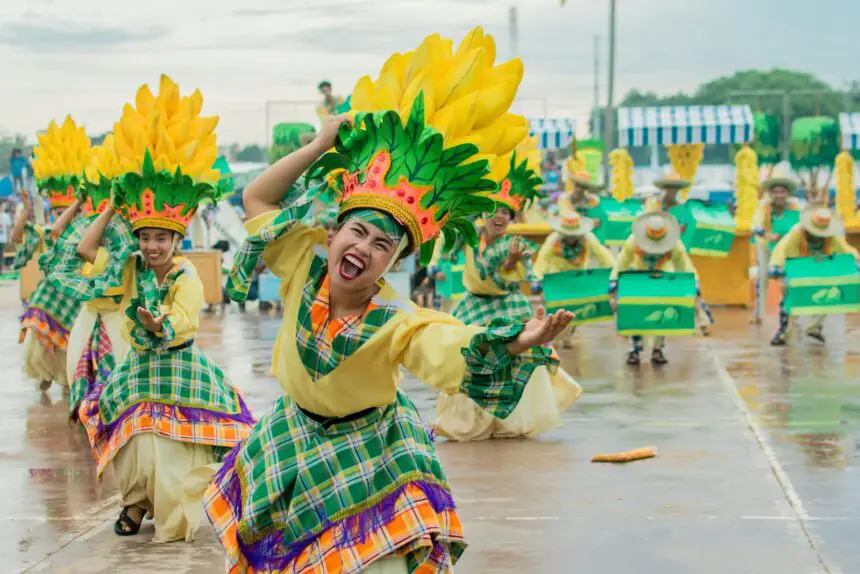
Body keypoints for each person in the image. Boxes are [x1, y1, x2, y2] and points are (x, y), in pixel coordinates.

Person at [205, 27, 573, 573]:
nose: (365, 249)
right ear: (332, 233)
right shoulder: (302, 262)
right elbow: (257, 197)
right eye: (357, 232)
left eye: (383, 245)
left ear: (394, 264)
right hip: (294, 436)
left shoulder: (397, 318)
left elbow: (447, 345)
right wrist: (318, 146)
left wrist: (517, 341)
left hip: (371, 449)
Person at [72, 75, 255, 542]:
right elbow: (84, 254)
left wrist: (159, 323)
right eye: (146, 237)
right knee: (134, 444)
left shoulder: (187, 274)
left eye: (161, 238)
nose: (152, 246)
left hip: (177, 365)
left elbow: (182, 319)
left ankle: (162, 509)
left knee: (168, 448)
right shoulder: (130, 266)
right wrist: (113, 209)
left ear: (177, 239)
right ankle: (135, 503)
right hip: (139, 368)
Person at [435, 135, 582, 442]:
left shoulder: (515, 245)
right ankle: (473, 422)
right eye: (495, 210)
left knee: (515, 360)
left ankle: (509, 421)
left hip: (508, 306)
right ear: (483, 213)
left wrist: (511, 261)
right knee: (470, 360)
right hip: (473, 305)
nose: (500, 216)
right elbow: (446, 243)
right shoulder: (469, 235)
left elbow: (508, 275)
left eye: (507, 212)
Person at [14, 116, 91, 391]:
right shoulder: (47, 233)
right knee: (39, 350)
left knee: (74, 351)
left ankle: (68, 381)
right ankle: (47, 375)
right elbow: (16, 242)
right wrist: (25, 212)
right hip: (50, 301)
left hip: (75, 303)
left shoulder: (87, 235)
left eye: (68, 211)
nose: (64, 216)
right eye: (59, 212)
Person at [611, 212, 698, 365]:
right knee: (636, 313)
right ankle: (635, 349)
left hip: (663, 279)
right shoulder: (633, 241)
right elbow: (621, 263)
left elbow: (685, 265)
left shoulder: (675, 244)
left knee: (662, 314)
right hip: (638, 278)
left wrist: (694, 284)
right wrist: (613, 283)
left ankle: (658, 349)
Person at [768, 207, 859, 346]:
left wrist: (856, 261)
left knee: (828, 296)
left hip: (820, 268)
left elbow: (846, 249)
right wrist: (776, 266)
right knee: (790, 299)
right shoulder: (796, 233)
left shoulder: (832, 235)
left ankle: (815, 328)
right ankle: (783, 333)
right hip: (797, 267)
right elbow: (781, 249)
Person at [533, 209, 616, 348]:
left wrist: (614, 276)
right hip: (557, 281)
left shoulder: (588, 239)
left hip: (578, 281)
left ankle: (566, 336)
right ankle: (550, 340)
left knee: (574, 313)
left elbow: (604, 257)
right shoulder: (553, 240)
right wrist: (538, 280)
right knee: (554, 314)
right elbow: (542, 261)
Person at [751, 170, 803, 324]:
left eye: (782, 191)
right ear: (771, 193)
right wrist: (768, 235)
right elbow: (755, 225)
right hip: (766, 246)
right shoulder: (764, 206)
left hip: (788, 248)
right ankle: (759, 314)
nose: (779, 195)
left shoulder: (795, 206)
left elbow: (802, 225)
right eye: (775, 191)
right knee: (763, 277)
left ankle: (792, 313)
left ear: (787, 192)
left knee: (790, 279)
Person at [0, 201, 12, 273]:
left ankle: (1, 269)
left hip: (3, 239)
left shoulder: (6, 216)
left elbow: (8, 228)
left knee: (1, 254)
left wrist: (10, 237)